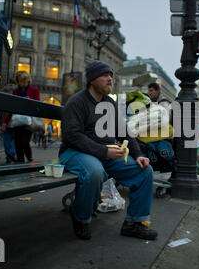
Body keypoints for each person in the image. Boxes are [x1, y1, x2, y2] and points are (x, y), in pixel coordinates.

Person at [59, 60, 157, 241]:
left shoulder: (109, 104)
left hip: (103, 153)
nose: (110, 78)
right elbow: (72, 136)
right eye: (105, 75)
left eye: (111, 75)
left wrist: (138, 155)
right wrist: (104, 151)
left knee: (145, 171)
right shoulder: (77, 102)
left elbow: (123, 131)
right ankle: (81, 217)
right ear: (92, 80)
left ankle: (134, 223)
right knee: (95, 171)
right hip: (75, 152)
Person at [2, 71, 40, 162]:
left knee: (25, 142)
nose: (22, 83)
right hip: (17, 121)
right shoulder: (15, 91)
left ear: (28, 81)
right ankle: (20, 162)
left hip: (29, 120)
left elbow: (38, 104)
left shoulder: (34, 90)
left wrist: (29, 101)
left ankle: (30, 159)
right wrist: (5, 122)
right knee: (18, 143)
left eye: (24, 81)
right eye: (20, 81)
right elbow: (12, 108)